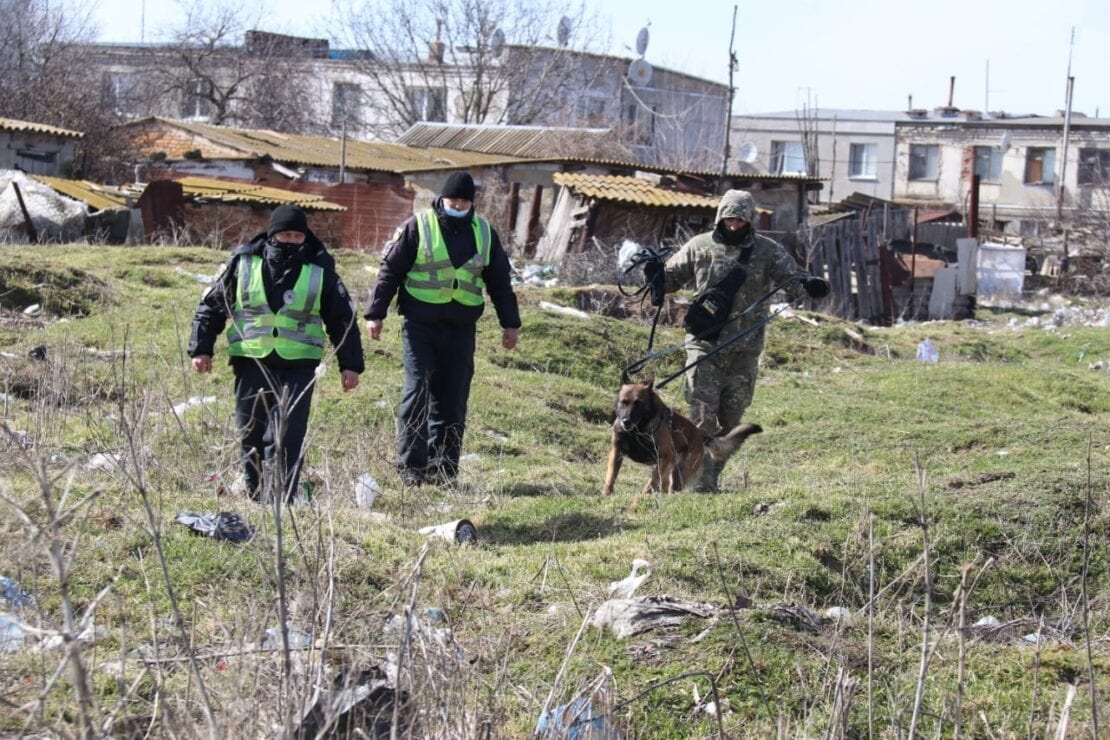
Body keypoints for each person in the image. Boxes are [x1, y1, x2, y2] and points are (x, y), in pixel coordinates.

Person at [645, 189, 828, 492]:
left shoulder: (768, 251)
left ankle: (707, 476)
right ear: (720, 217)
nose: (733, 224)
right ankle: (694, 486)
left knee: (730, 423)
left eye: (740, 220)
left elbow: (793, 280)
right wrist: (655, 276)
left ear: (750, 221)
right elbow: (669, 279)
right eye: (729, 218)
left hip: (745, 351)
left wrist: (810, 285)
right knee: (701, 420)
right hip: (705, 347)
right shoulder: (699, 247)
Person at [189, 204, 365, 503]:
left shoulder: (321, 270)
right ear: (272, 235)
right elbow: (211, 306)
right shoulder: (242, 263)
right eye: (285, 235)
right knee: (251, 434)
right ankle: (256, 495)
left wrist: (350, 365)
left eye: (298, 235)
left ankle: (282, 498)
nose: (292, 241)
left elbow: (342, 320)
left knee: (286, 435)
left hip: (299, 365)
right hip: (251, 360)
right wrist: (201, 348)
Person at [364, 172, 520, 487]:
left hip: (461, 330)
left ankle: (444, 469)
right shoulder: (418, 226)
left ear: (471, 203)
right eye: (453, 201)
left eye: (463, 201)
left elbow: (500, 283)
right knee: (416, 391)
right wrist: (375, 314)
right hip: (420, 326)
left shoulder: (485, 233)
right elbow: (390, 271)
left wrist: (510, 323)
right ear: (442, 199)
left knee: (452, 400)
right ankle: (411, 467)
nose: (458, 205)